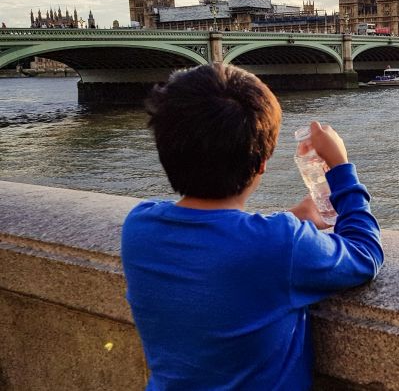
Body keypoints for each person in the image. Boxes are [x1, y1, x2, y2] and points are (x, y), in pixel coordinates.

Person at [121, 63, 383, 390]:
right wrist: (341, 168)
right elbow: (366, 253)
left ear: (165, 150)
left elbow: (218, 242)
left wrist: (295, 218)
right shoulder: (282, 244)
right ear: (261, 164)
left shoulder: (138, 228)